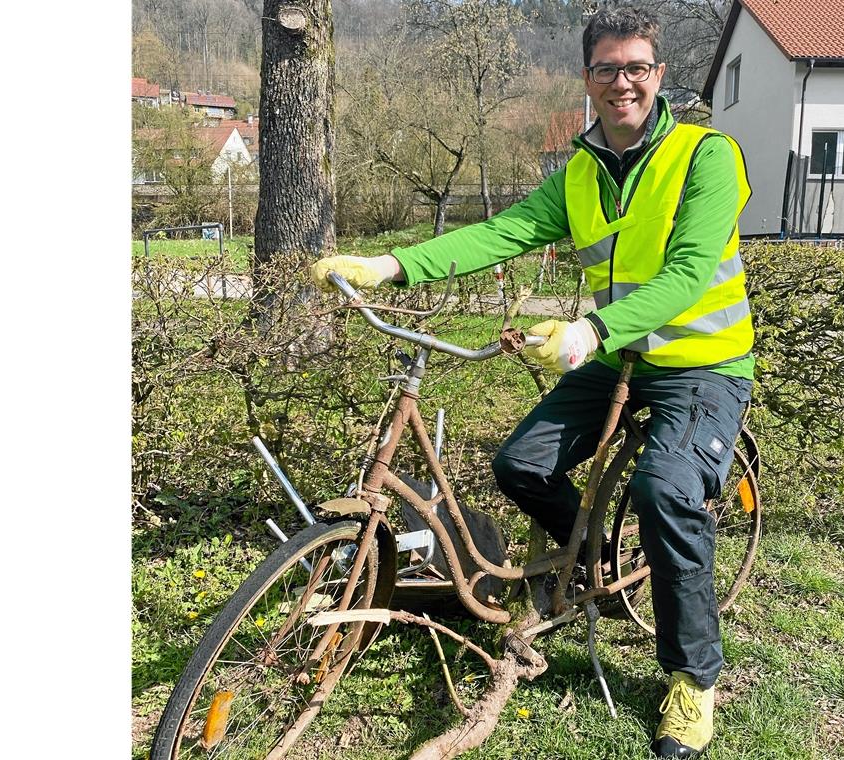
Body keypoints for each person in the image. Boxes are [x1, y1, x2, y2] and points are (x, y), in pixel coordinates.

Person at [312, 7, 753, 757]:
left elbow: (685, 276)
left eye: (637, 67)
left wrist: (588, 331)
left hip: (700, 368)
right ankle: (597, 564)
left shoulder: (705, 157)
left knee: (666, 493)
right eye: (608, 69)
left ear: (659, 75)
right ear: (588, 78)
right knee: (519, 463)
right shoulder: (582, 170)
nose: (624, 83)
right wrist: (391, 265)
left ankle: (693, 680)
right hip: (618, 357)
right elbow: (500, 232)